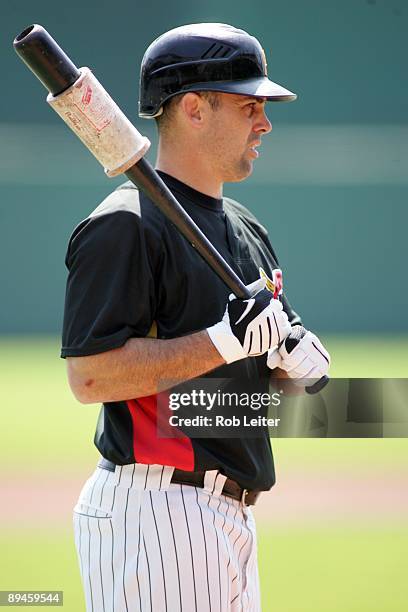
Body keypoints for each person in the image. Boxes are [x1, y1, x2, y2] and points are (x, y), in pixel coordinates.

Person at [61, 23, 330, 612]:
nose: (264, 123)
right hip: (154, 513)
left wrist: (291, 371)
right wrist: (221, 341)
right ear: (193, 109)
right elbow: (90, 378)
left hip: (231, 517)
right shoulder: (125, 224)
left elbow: (237, 401)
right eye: (248, 105)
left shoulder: (248, 231)